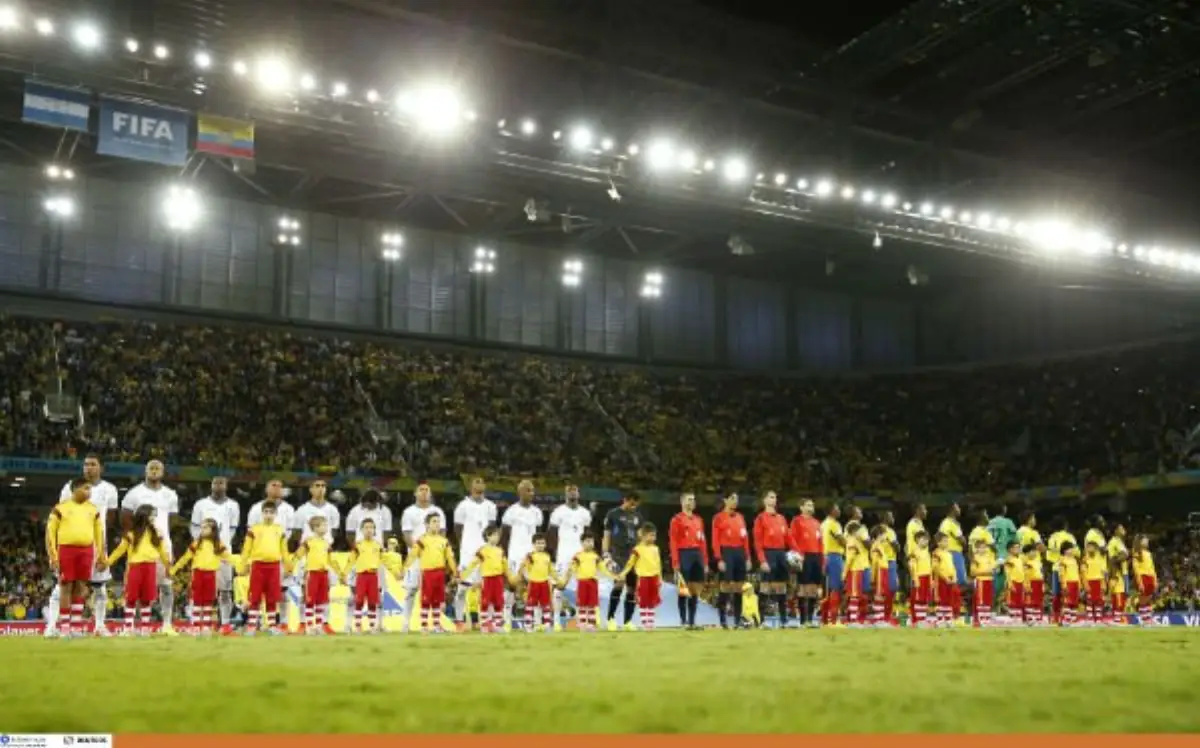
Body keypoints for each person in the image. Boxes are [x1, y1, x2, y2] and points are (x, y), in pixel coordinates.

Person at [47, 455, 119, 638]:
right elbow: (63, 513)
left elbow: (109, 519)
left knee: (100, 587)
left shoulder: (110, 489)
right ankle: (52, 625)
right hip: (70, 544)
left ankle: (99, 626)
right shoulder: (69, 486)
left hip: (94, 544)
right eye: (86, 464)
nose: (88, 468)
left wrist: (102, 549)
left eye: (93, 464)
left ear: (101, 467)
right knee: (61, 586)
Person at [121, 460, 180, 635]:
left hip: (162, 544)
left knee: (166, 585)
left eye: (158, 469)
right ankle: (136, 625)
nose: (154, 471)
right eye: (151, 468)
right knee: (137, 588)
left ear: (163, 472)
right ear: (145, 471)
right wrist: (135, 539)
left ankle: (167, 624)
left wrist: (166, 541)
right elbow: (125, 517)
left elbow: (173, 521)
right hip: (140, 546)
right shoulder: (134, 493)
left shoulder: (170, 495)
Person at [44, 477, 104, 639]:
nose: (89, 492)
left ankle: (76, 627)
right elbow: (50, 533)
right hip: (66, 551)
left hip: (86, 551)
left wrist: (101, 555)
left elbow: (99, 534)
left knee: (81, 587)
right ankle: (64, 627)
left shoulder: (93, 509)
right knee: (66, 586)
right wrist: (53, 556)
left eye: (90, 489)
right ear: (75, 489)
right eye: (86, 488)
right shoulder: (61, 508)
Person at [107, 504, 171, 636]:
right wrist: (107, 562)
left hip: (150, 567)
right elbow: (120, 550)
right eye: (153, 515)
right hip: (135, 567)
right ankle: (128, 627)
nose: (154, 518)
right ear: (144, 516)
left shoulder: (157, 533)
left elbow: (162, 551)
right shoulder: (131, 534)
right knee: (131, 597)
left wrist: (168, 566)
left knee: (146, 599)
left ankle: (145, 628)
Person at [189, 476, 240, 632]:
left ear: (226, 486)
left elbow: (232, 529)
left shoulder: (233, 505)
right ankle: (197, 623)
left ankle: (224, 623)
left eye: (221, 483)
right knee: (199, 591)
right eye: (215, 483)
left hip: (223, 552)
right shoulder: (201, 505)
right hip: (204, 554)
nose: (218, 485)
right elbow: (194, 527)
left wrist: (219, 546)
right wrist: (204, 545)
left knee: (225, 590)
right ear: (211, 485)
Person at [170, 518, 233, 635]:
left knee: (208, 601)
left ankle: (206, 626)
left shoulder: (218, 545)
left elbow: (229, 557)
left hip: (211, 574)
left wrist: (241, 565)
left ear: (213, 530)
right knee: (197, 600)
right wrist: (174, 569)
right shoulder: (196, 543)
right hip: (198, 574)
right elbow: (186, 557)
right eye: (201, 527)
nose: (202, 530)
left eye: (205, 527)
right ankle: (197, 625)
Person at [246, 480, 297, 628]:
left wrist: (288, 560)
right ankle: (259, 623)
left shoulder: (289, 509)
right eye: (273, 485)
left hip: (279, 555)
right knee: (257, 592)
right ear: (266, 488)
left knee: (281, 590)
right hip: (259, 557)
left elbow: (290, 534)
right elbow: (250, 533)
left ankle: (283, 622)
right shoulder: (256, 508)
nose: (276, 488)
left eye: (280, 486)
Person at [400, 483, 448, 633]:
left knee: (434, 593)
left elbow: (443, 534)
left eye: (427, 490)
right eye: (421, 490)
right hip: (415, 556)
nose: (424, 492)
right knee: (411, 589)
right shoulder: (409, 512)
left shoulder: (437, 511)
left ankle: (436, 624)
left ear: (430, 493)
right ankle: (406, 623)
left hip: (434, 557)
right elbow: (407, 535)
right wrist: (419, 550)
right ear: (415, 493)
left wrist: (437, 551)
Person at [240, 501, 291, 635]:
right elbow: (246, 549)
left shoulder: (280, 529)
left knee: (272, 597)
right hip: (258, 565)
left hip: (274, 566)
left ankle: (272, 626)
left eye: (271, 512)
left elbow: (284, 550)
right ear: (262, 513)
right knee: (255, 596)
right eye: (266, 512)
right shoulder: (254, 529)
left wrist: (288, 566)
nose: (268, 515)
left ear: (276, 514)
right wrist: (242, 564)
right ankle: (251, 626)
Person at [452, 477, 496, 631]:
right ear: (470, 486)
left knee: (487, 588)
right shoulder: (463, 506)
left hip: (485, 553)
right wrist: (465, 546)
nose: (479, 485)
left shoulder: (491, 506)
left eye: (482, 482)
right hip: (468, 554)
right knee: (463, 588)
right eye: (476, 482)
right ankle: (459, 620)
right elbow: (457, 529)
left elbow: (492, 530)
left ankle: (487, 621)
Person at [345, 489, 393, 631]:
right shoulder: (355, 511)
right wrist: (358, 549)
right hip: (360, 556)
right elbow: (349, 533)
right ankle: (349, 624)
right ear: (362, 500)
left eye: (373, 503)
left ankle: (379, 624)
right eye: (367, 503)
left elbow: (387, 532)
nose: (370, 506)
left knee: (379, 593)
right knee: (354, 593)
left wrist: (380, 549)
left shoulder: (385, 512)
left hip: (376, 556)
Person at [547, 484, 591, 631]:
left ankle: (581, 620)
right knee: (559, 586)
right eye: (569, 491)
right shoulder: (558, 512)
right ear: (565, 494)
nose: (572, 494)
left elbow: (588, 534)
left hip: (580, 555)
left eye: (575, 491)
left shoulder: (585, 513)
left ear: (579, 494)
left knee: (582, 587)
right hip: (563, 555)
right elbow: (551, 534)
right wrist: (552, 554)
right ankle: (557, 620)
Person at [403, 513, 456, 633]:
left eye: (438, 521)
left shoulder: (443, 541)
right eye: (434, 521)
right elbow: (412, 556)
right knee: (426, 600)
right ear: (427, 524)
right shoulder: (422, 540)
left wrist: (455, 572)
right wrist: (404, 569)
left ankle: (437, 626)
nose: (437, 524)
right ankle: (424, 626)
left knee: (437, 601)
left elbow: (450, 558)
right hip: (427, 574)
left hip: (440, 573)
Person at [601, 491, 643, 631]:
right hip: (618, 554)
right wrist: (605, 553)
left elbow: (640, 537)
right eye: (631, 503)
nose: (633, 506)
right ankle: (610, 619)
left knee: (632, 587)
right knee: (619, 584)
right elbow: (606, 535)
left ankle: (627, 621)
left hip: (633, 556)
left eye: (636, 504)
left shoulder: (638, 517)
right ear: (625, 500)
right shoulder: (613, 514)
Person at [669, 492, 707, 630]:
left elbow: (703, 541)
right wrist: (675, 561)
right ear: (682, 502)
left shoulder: (699, 520)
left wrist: (705, 561)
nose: (692, 502)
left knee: (695, 590)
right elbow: (673, 541)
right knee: (683, 590)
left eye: (694, 499)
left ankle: (692, 621)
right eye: (689, 499)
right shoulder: (677, 520)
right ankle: (683, 620)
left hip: (697, 554)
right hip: (684, 553)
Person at [711, 492, 750, 629]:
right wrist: (719, 558)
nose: (735, 501)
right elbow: (715, 540)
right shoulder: (718, 518)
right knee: (725, 586)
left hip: (739, 553)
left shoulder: (740, 517)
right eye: (732, 498)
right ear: (725, 500)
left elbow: (745, 538)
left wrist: (747, 557)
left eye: (737, 499)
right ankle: (722, 620)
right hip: (726, 552)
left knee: (739, 587)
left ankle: (737, 620)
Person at [461, 525, 509, 634]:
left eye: (498, 535)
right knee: (485, 602)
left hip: (498, 579)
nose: (497, 538)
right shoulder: (482, 551)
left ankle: (497, 625)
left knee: (498, 602)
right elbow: (473, 564)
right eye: (494, 535)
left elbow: (505, 566)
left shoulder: (500, 551)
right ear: (488, 536)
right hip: (487, 579)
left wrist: (510, 578)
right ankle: (484, 625)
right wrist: (463, 576)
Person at [341, 518, 386, 634]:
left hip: (373, 576)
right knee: (359, 601)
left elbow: (386, 560)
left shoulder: (378, 545)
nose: (369, 530)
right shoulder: (358, 545)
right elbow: (351, 560)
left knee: (372, 602)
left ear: (375, 530)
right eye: (366, 527)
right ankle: (357, 626)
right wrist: (344, 574)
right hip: (361, 576)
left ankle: (372, 627)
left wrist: (396, 572)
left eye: (371, 527)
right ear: (361, 530)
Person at [753, 491, 790, 628]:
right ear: (764, 500)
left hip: (781, 554)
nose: (773, 499)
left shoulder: (781, 518)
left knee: (781, 588)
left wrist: (797, 552)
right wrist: (762, 560)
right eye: (770, 497)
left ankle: (783, 621)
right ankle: (761, 621)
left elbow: (788, 538)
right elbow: (757, 542)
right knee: (765, 587)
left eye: (775, 497)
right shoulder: (760, 519)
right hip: (768, 553)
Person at [293, 516, 336, 634]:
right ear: (315, 528)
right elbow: (298, 555)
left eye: (326, 525)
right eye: (323, 525)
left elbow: (331, 559)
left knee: (321, 601)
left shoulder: (326, 543)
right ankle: (309, 625)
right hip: (312, 574)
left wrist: (338, 572)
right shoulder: (308, 541)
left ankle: (318, 625)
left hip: (323, 574)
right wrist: (292, 567)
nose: (326, 528)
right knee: (310, 600)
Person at [559, 531, 610, 632]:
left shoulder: (596, 556)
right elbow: (571, 569)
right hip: (582, 582)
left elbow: (603, 569)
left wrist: (613, 575)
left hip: (593, 583)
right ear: (582, 543)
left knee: (592, 605)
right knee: (582, 604)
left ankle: (591, 625)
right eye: (587, 541)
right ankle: (582, 623)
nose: (590, 543)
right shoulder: (577, 556)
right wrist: (564, 580)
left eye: (591, 541)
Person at [617, 523, 663, 631]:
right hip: (643, 578)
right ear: (643, 535)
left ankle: (650, 622)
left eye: (654, 535)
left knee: (652, 601)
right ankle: (645, 622)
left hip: (654, 578)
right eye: (651, 535)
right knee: (644, 601)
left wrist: (660, 577)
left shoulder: (656, 549)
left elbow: (658, 564)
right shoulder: (637, 550)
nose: (653, 538)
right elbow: (630, 563)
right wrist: (623, 573)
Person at [787, 498, 822, 627]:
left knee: (813, 589)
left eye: (812, 505)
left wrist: (822, 560)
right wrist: (798, 554)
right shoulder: (797, 521)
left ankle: (810, 620)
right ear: (801, 507)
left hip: (816, 556)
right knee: (803, 588)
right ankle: (802, 620)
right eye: (808, 505)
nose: (811, 507)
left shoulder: (817, 523)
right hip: (804, 556)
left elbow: (820, 543)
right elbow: (792, 539)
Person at [520, 532, 561, 633]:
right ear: (533, 544)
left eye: (542, 543)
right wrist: (525, 579)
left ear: (545, 544)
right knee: (530, 604)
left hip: (544, 584)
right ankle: (528, 625)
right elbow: (523, 568)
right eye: (538, 543)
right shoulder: (529, 556)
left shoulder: (547, 556)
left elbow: (551, 570)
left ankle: (547, 625)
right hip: (533, 583)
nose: (540, 545)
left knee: (546, 605)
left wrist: (559, 580)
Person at [938, 504, 967, 623]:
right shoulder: (949, 523)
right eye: (957, 507)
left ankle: (954, 610)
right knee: (957, 582)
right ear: (952, 509)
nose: (960, 509)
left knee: (957, 583)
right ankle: (952, 612)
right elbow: (962, 540)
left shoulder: (950, 523)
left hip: (954, 553)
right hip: (953, 553)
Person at [1046, 518, 1077, 624]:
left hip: (1056, 568)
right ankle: (1069, 617)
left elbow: (1049, 558)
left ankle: (1056, 617)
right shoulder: (1069, 537)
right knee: (1069, 595)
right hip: (1069, 570)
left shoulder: (1052, 538)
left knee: (1056, 594)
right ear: (1065, 526)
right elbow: (1076, 553)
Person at [820, 504, 846, 626]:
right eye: (837, 508)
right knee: (836, 587)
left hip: (825, 556)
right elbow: (842, 541)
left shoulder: (823, 524)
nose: (839, 510)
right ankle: (833, 620)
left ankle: (825, 619)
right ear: (831, 511)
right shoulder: (834, 524)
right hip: (835, 556)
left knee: (829, 588)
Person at [843, 520, 869, 627]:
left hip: (859, 570)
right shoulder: (851, 541)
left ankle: (853, 619)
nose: (861, 533)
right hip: (854, 571)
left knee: (856, 596)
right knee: (854, 596)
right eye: (859, 531)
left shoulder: (857, 541)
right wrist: (844, 573)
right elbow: (849, 559)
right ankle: (853, 621)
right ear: (854, 531)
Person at [907, 531, 932, 628]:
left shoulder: (926, 552)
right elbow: (912, 567)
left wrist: (931, 579)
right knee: (918, 600)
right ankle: (918, 620)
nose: (926, 542)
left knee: (924, 599)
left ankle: (921, 619)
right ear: (917, 540)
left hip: (926, 577)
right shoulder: (915, 552)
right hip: (919, 578)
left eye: (927, 540)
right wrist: (915, 579)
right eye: (923, 539)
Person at [879, 511, 900, 625]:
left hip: (886, 561)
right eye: (891, 516)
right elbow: (896, 547)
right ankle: (884, 616)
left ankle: (886, 616)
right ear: (885, 518)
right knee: (889, 589)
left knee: (890, 589)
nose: (893, 518)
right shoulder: (887, 531)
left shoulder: (879, 530)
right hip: (887, 561)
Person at [868, 525, 891, 627]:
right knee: (878, 596)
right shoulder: (876, 546)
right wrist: (873, 577)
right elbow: (874, 562)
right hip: (879, 572)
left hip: (884, 571)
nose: (886, 535)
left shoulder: (881, 546)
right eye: (885, 533)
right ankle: (878, 620)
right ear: (879, 535)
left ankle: (880, 619)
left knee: (882, 596)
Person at [970, 538, 996, 627]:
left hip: (989, 580)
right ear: (976, 549)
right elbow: (973, 572)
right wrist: (985, 572)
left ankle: (986, 619)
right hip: (980, 581)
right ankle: (980, 619)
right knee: (981, 600)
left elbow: (993, 569)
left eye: (985, 547)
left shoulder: (989, 557)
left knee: (988, 600)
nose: (983, 549)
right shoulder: (975, 558)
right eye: (981, 547)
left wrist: (992, 571)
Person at [1131, 534, 1157, 625]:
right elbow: (1136, 568)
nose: (1147, 541)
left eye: (1147, 540)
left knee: (1148, 599)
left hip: (1150, 576)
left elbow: (1152, 567)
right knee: (1143, 600)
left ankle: (1149, 618)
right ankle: (1145, 619)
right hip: (1142, 576)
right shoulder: (1137, 553)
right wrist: (1139, 582)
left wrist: (1155, 579)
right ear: (1140, 542)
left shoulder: (1149, 553)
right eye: (1145, 540)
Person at [931, 532, 956, 627]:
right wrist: (945, 578)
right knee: (941, 599)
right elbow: (935, 568)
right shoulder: (936, 553)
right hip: (941, 579)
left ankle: (949, 619)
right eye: (944, 541)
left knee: (949, 599)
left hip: (950, 579)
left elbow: (952, 567)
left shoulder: (949, 554)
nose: (947, 543)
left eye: (947, 541)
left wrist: (954, 577)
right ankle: (940, 619)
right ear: (938, 543)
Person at [1107, 524, 1130, 622]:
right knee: (1118, 596)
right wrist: (1124, 556)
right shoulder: (1113, 542)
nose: (1124, 530)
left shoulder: (1120, 542)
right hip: (1118, 573)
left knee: (1124, 596)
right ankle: (1116, 619)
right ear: (1116, 531)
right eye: (1121, 528)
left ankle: (1121, 618)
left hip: (1124, 571)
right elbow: (1111, 559)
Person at [1056, 541, 1081, 627]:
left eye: (1072, 548)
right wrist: (1064, 585)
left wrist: (1079, 584)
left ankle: (1072, 620)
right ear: (1064, 550)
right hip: (1068, 583)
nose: (1071, 550)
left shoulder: (1074, 560)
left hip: (1075, 583)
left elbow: (1077, 573)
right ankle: (1064, 620)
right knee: (1067, 602)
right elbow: (1061, 574)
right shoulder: (1062, 560)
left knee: (1074, 603)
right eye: (1068, 549)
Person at [1082, 541, 1107, 625]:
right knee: (1089, 601)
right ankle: (1090, 619)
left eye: (1091, 547)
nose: (1090, 549)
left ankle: (1098, 619)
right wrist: (1085, 584)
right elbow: (1083, 573)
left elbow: (1103, 572)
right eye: (1088, 547)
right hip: (1089, 581)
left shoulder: (1100, 558)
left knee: (1099, 601)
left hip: (1099, 581)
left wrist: (1104, 583)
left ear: (1096, 549)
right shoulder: (1085, 559)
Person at [1022, 543, 1046, 626]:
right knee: (1030, 601)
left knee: (1038, 601)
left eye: (1035, 551)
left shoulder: (1038, 562)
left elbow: (1041, 574)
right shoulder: (1026, 563)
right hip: (1031, 583)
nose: (1034, 553)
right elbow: (1025, 575)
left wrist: (1043, 585)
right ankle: (1030, 619)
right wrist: (1027, 585)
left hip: (1039, 582)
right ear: (1026, 553)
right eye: (1032, 551)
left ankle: (1038, 618)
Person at [1003, 540, 1026, 625]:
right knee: (1013, 602)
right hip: (1013, 582)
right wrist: (1010, 584)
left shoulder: (1020, 559)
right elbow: (1007, 573)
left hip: (1021, 582)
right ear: (1010, 550)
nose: (1018, 549)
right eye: (1015, 548)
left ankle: (1020, 618)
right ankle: (1014, 619)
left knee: (1021, 601)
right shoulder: (1009, 560)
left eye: (1018, 547)